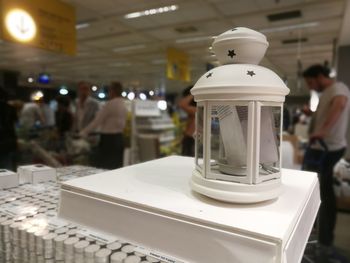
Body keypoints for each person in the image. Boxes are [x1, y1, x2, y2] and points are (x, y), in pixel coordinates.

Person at [302, 65, 350, 255]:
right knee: (316, 191)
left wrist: (323, 131)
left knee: (323, 194)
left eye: (311, 82)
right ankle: (316, 233)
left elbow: (339, 105)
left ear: (320, 76)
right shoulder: (328, 92)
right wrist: (312, 116)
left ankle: (324, 241)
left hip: (327, 148)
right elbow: (328, 113)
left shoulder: (338, 89)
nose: (311, 86)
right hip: (320, 147)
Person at [80, 82, 127, 169]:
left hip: (108, 140)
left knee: (105, 166)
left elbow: (97, 121)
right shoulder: (123, 104)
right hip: (119, 138)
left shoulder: (110, 104)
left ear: (112, 91)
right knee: (116, 166)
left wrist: (82, 133)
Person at [0, 87, 18, 170]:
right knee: (7, 167)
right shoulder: (10, 108)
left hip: (5, 139)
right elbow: (15, 124)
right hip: (8, 140)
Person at [178, 85, 196, 156]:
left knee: (189, 160)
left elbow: (182, 104)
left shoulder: (198, 110)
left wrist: (193, 93)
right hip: (189, 138)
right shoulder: (195, 110)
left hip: (192, 139)